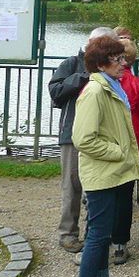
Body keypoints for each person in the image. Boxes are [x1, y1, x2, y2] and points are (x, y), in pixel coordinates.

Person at [70, 35, 139, 277]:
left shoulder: (112, 87)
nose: (124, 63)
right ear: (102, 63)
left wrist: (121, 156)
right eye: (118, 59)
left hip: (114, 172)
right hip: (103, 173)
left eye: (123, 58)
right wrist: (119, 152)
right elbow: (83, 139)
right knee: (98, 235)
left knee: (105, 233)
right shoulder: (95, 92)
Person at [48, 26, 115, 254]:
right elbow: (55, 91)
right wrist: (81, 78)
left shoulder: (111, 68)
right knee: (72, 185)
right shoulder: (71, 64)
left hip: (101, 136)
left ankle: (94, 233)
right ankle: (68, 233)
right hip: (72, 134)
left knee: (96, 184)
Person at [111, 37, 139, 265]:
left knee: (103, 193)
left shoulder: (100, 83)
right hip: (131, 140)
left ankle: (98, 239)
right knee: (124, 195)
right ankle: (120, 244)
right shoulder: (138, 84)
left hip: (108, 142)